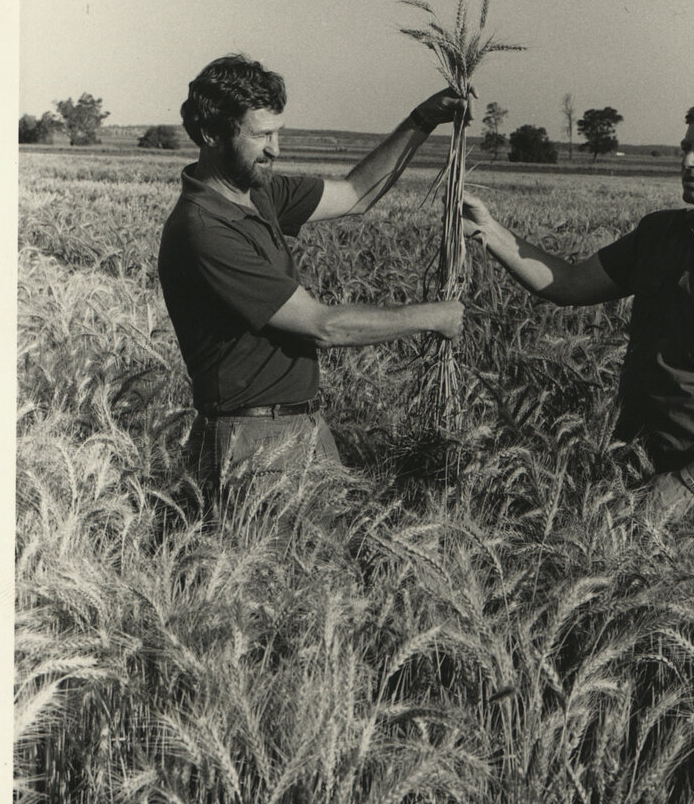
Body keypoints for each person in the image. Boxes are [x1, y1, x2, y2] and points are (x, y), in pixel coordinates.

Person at [462, 95, 694, 521]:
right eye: (686, 147)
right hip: (629, 469)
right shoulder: (658, 234)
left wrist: (688, 484)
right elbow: (569, 284)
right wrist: (489, 230)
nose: (687, 161)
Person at [158, 53, 465, 497]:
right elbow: (323, 326)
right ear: (210, 134)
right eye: (261, 135)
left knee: (329, 566)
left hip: (301, 425)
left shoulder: (256, 193)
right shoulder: (203, 230)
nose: (275, 150)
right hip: (251, 442)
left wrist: (424, 119)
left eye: (278, 132)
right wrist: (432, 317)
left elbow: (358, 193)